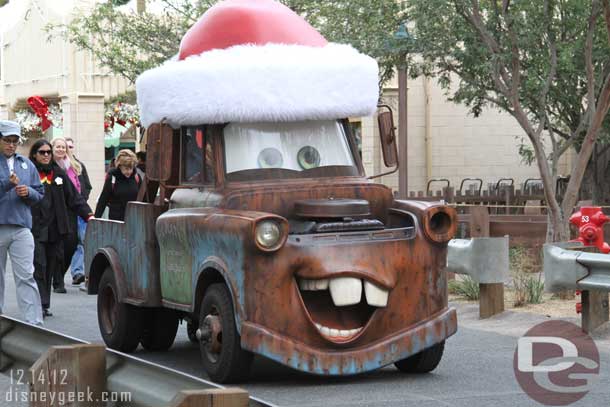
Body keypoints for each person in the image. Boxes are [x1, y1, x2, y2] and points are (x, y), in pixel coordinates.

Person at [29, 140, 93, 317]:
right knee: (39, 266)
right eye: (42, 152)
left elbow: (75, 198)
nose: (46, 155)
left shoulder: (58, 174)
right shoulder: (30, 173)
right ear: (35, 154)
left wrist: (89, 215)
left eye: (48, 152)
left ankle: (44, 303)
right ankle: (38, 304)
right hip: (35, 229)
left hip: (55, 229)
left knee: (50, 267)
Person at [0, 120, 44, 326]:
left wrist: (29, 192)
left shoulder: (26, 163)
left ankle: (34, 323)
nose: (11, 145)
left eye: (15, 141)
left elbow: (40, 193)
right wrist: (8, 184)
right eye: (7, 140)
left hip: (21, 227)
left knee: (26, 275)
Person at [60, 137, 92, 286]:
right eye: (67, 146)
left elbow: (87, 186)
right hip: (64, 211)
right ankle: (57, 272)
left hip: (79, 209)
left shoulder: (78, 166)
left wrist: (82, 201)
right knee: (65, 242)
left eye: (71, 147)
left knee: (79, 242)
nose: (68, 149)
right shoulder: (58, 167)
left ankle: (77, 272)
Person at [95, 149, 142, 221]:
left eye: (131, 168)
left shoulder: (137, 177)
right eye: (126, 169)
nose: (129, 171)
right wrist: (96, 220)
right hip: (116, 222)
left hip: (134, 220)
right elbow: (103, 200)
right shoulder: (112, 178)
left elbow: (142, 200)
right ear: (119, 166)